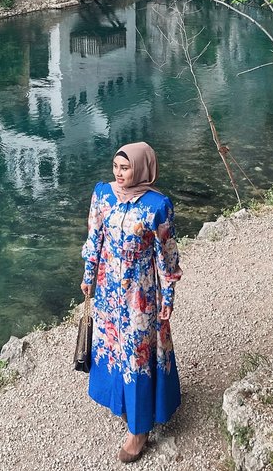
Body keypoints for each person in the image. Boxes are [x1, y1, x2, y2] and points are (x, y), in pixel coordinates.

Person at [81, 142, 182, 463]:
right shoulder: (103, 194)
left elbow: (167, 256)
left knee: (137, 354)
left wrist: (168, 296)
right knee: (112, 348)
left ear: (141, 168)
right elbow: (94, 237)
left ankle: (139, 431)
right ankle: (124, 404)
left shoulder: (157, 206)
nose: (119, 173)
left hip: (141, 292)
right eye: (116, 167)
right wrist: (88, 275)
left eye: (125, 168)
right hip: (108, 289)